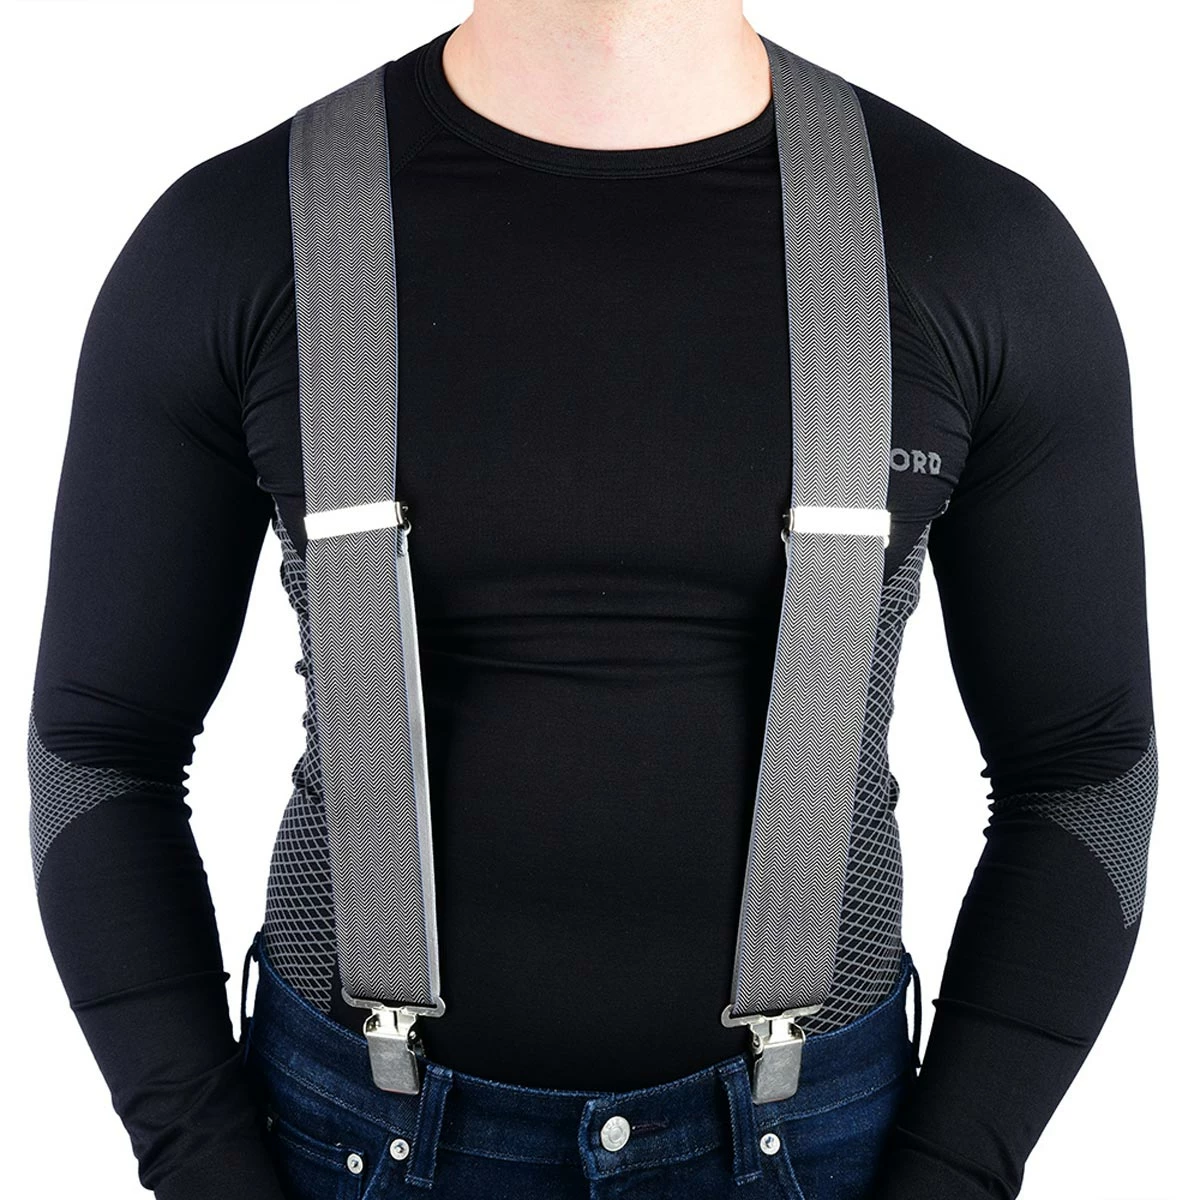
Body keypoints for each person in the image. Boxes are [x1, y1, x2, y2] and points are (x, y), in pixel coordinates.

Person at [27, 4, 1157, 1199]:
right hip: (346, 1143)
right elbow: (99, 751)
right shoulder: (241, 241)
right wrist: (207, 1166)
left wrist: (952, 1173)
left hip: (826, 1149)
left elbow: (1085, 772)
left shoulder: (973, 248)